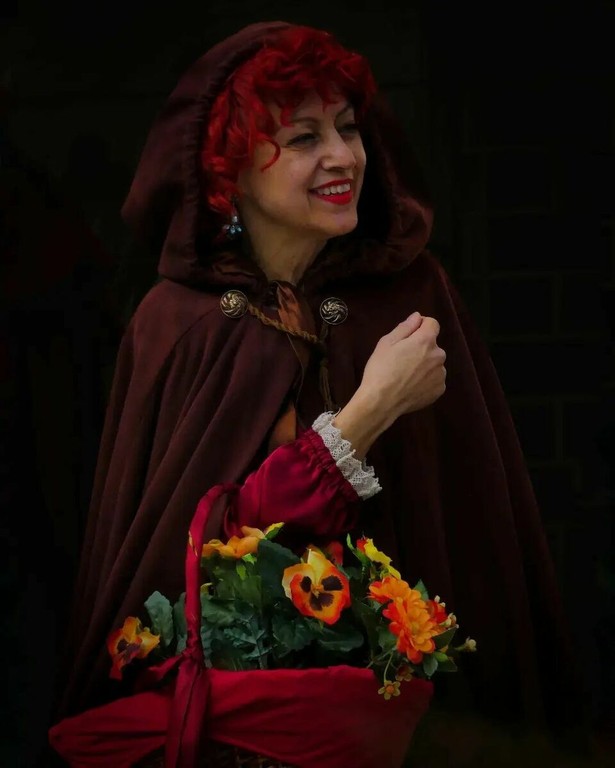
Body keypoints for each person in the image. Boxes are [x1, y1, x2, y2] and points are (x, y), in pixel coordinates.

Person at [55, 20, 587, 765]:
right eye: (304, 137)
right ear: (228, 173)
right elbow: (185, 565)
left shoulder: (410, 296)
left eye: (348, 127)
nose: (343, 156)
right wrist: (368, 413)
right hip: (245, 738)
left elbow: (474, 532)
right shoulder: (178, 327)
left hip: (419, 726)